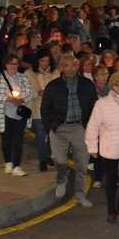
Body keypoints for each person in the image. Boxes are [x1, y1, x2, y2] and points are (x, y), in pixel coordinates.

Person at [41, 53, 98, 206]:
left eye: (73, 65)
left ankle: (80, 195)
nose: (71, 69)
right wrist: (51, 127)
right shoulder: (53, 86)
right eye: (66, 65)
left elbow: (95, 107)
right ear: (61, 68)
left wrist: (92, 128)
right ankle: (61, 180)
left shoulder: (87, 85)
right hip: (60, 128)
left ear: (77, 65)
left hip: (80, 127)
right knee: (59, 160)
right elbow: (45, 109)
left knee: (82, 164)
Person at [85, 71, 119, 222]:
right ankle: (111, 210)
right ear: (113, 87)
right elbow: (93, 126)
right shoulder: (102, 104)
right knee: (111, 180)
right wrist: (92, 147)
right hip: (109, 147)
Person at [0, 53, 35, 177]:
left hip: (19, 113)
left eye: (16, 63)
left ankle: (17, 165)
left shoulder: (23, 78)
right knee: (6, 139)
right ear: (5, 64)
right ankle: (8, 161)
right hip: (4, 113)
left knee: (18, 140)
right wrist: (7, 98)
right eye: (11, 63)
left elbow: (30, 93)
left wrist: (21, 99)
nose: (14, 66)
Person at [26, 49, 60, 171]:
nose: (45, 64)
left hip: (52, 109)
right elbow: (28, 90)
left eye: (47, 61)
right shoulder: (30, 73)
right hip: (37, 108)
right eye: (42, 61)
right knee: (40, 135)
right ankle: (41, 160)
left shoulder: (55, 72)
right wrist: (38, 92)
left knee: (52, 134)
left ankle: (48, 155)